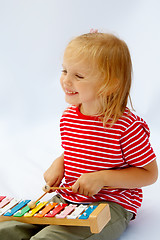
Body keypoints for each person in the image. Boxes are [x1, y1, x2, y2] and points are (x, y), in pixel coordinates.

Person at [0, 31, 158, 240]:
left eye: (79, 76)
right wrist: (61, 163)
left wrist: (102, 178)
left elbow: (149, 173)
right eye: (65, 70)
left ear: (109, 84)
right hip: (67, 199)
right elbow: (81, 149)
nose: (66, 80)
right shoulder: (69, 117)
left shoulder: (126, 127)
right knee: (6, 229)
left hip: (110, 206)